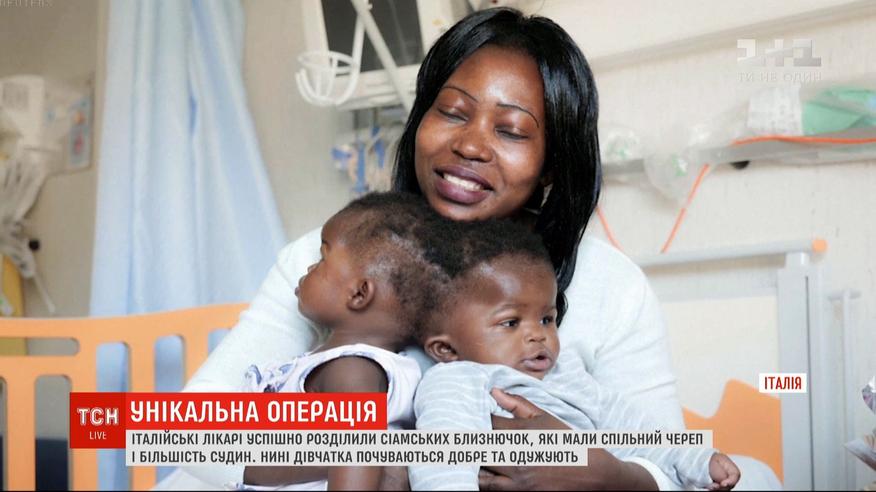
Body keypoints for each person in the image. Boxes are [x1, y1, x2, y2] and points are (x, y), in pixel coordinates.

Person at [174, 7, 780, 490]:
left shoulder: (610, 286)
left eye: (511, 131)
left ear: (551, 165)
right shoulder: (335, 259)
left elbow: (665, 456)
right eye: (451, 112)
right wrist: (406, 460)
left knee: (758, 479)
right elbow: (191, 434)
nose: (470, 145)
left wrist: (608, 475)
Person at [407, 218, 740, 491]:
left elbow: (637, 432)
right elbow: (443, 460)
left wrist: (699, 461)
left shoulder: (567, 374)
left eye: (547, 319)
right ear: (446, 349)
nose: (538, 334)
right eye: (510, 323)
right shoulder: (458, 380)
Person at [237, 192, 443, 490]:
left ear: (359, 294)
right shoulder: (345, 365)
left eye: (322, 258)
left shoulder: (353, 371)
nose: (309, 269)